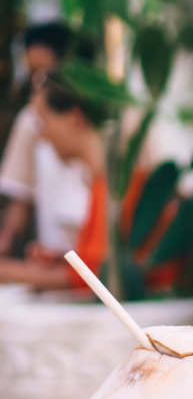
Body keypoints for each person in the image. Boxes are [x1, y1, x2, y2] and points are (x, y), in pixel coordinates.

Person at [0, 72, 175, 292]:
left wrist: (8, 272)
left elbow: (97, 277)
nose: (43, 135)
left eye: (44, 121)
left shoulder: (118, 187)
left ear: (74, 117)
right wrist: (62, 259)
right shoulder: (103, 183)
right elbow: (97, 266)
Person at [0, 22, 89, 257]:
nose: (38, 82)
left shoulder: (105, 120)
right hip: (60, 262)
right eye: (32, 74)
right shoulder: (29, 120)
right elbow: (20, 196)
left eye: (46, 71)